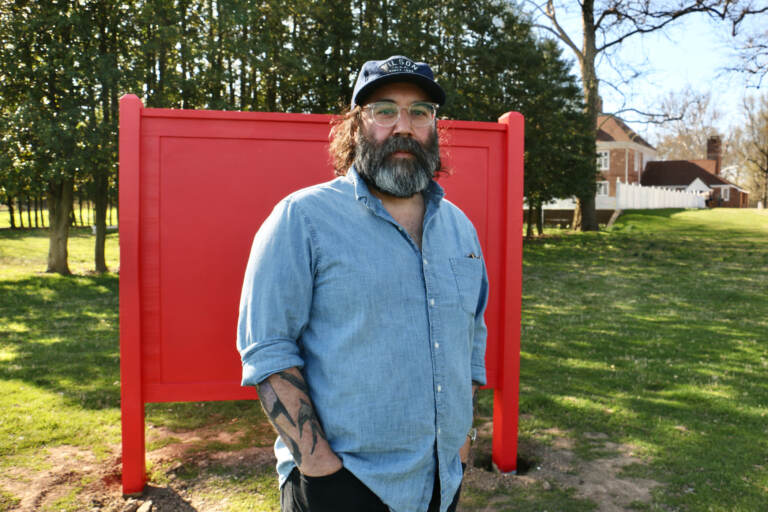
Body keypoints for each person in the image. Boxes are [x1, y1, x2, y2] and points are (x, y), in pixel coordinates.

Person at [236, 55, 488, 512]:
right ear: (355, 127)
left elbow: (470, 341)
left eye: (420, 112)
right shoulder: (302, 219)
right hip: (342, 486)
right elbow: (267, 349)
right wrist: (320, 468)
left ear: (434, 126)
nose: (403, 127)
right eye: (384, 110)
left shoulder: (461, 229)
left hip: (441, 480)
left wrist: (461, 444)